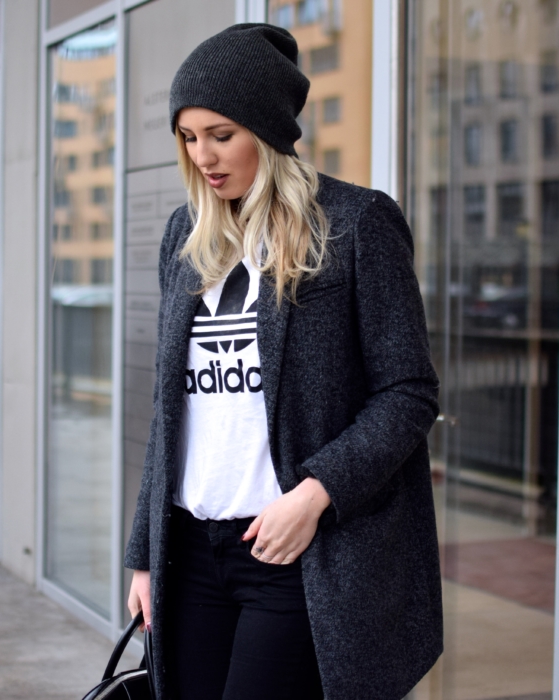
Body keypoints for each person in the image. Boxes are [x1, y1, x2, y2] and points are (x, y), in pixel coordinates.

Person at [125, 23, 442, 700]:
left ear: (267, 130)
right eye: (188, 137)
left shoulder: (355, 225)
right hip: (190, 551)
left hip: (297, 552)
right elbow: (168, 408)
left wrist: (315, 493)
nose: (203, 156)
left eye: (220, 134)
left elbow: (408, 391)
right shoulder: (188, 233)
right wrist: (144, 557)